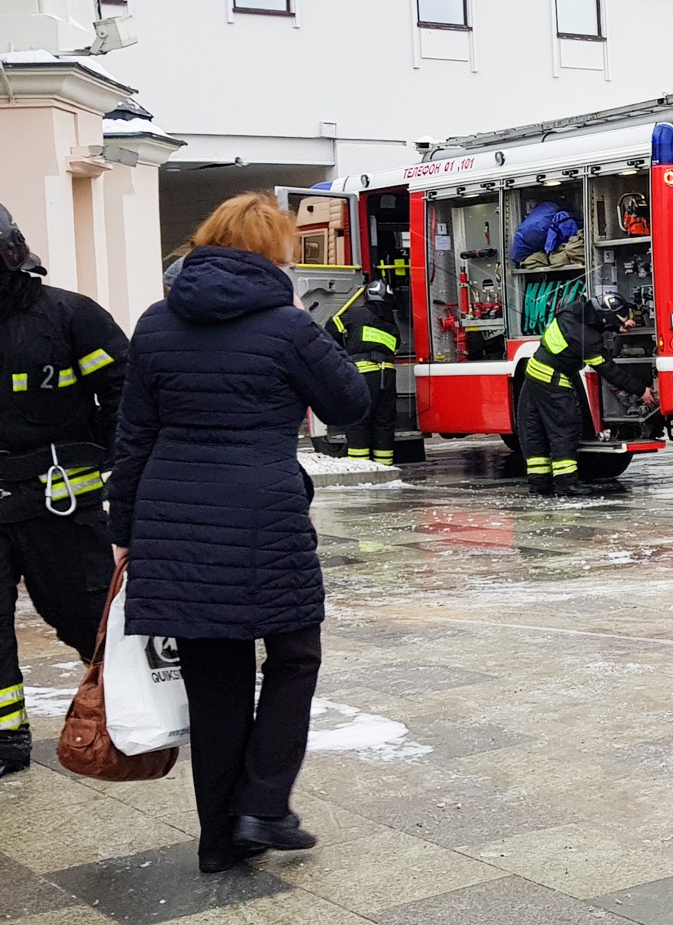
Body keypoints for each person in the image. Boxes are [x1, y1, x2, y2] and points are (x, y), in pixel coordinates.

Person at [106, 192, 369, 873]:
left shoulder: (157, 324)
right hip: (262, 515)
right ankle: (264, 802)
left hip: (174, 519)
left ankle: (219, 841)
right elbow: (350, 402)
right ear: (271, 250)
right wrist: (323, 333)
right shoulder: (286, 326)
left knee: (215, 680)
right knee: (294, 656)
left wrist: (126, 527)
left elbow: (133, 436)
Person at [0, 203, 129, 778]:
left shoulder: (70, 316)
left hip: (61, 506)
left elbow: (127, 393)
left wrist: (112, 459)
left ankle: (124, 706)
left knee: (84, 616)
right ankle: (5, 738)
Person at [515, 290, 655, 496]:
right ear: (606, 317)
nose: (624, 326)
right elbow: (610, 371)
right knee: (564, 431)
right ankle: (566, 484)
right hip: (553, 381)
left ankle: (539, 484)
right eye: (621, 321)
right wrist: (641, 390)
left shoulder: (571, 311)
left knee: (535, 432)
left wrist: (621, 322)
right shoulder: (588, 341)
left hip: (533, 375)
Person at [327, 279, 400, 466]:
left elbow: (331, 328)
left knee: (358, 421)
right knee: (384, 423)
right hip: (388, 376)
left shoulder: (356, 314)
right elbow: (396, 348)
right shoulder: (392, 325)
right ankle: (384, 468)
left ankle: (361, 467)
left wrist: (342, 353)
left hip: (364, 374)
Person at [508, 199, 581, 266]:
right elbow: (561, 235)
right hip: (540, 233)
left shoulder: (542, 209)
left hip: (522, 239)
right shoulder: (561, 214)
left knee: (521, 260)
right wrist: (549, 251)